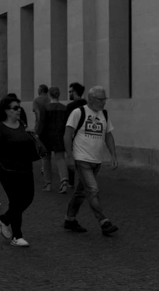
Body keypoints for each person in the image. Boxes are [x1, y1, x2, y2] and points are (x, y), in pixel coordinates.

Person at [63, 86, 119, 236]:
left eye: (104, 99)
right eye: (100, 99)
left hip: (96, 160)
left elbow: (108, 135)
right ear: (91, 99)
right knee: (93, 190)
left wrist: (113, 155)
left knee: (81, 192)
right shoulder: (78, 113)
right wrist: (69, 156)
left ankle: (70, 219)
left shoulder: (104, 115)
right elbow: (67, 135)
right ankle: (103, 221)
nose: (103, 103)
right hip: (81, 158)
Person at [0, 96, 37, 247]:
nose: (19, 110)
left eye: (19, 107)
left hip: (25, 168)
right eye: (15, 108)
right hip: (7, 170)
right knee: (16, 200)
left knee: (28, 198)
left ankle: (4, 219)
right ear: (6, 111)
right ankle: (17, 236)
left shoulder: (22, 125)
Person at [39, 86, 69, 193]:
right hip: (60, 136)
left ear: (49, 95)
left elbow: (41, 124)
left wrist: (38, 135)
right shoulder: (64, 108)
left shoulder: (45, 108)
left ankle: (48, 184)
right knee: (61, 159)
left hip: (46, 136)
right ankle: (64, 182)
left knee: (46, 160)